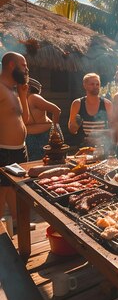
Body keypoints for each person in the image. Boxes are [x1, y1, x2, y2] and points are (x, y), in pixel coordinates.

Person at [0, 52, 29, 223]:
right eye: (24, 65)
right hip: (3, 150)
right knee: (1, 191)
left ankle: (18, 222)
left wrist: (23, 95)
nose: (27, 69)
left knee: (15, 188)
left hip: (20, 149)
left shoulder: (14, 90)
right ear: (11, 65)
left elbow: (24, 120)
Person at [68, 73, 113, 148]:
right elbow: (72, 130)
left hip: (102, 148)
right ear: (85, 85)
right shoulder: (77, 104)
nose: (95, 86)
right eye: (92, 84)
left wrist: (99, 137)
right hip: (83, 149)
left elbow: (113, 129)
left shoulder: (107, 104)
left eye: (97, 84)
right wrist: (76, 124)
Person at [26, 78, 62, 161]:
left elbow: (56, 110)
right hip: (31, 139)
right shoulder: (22, 100)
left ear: (28, 87)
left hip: (44, 136)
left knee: (48, 162)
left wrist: (55, 131)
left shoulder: (33, 97)